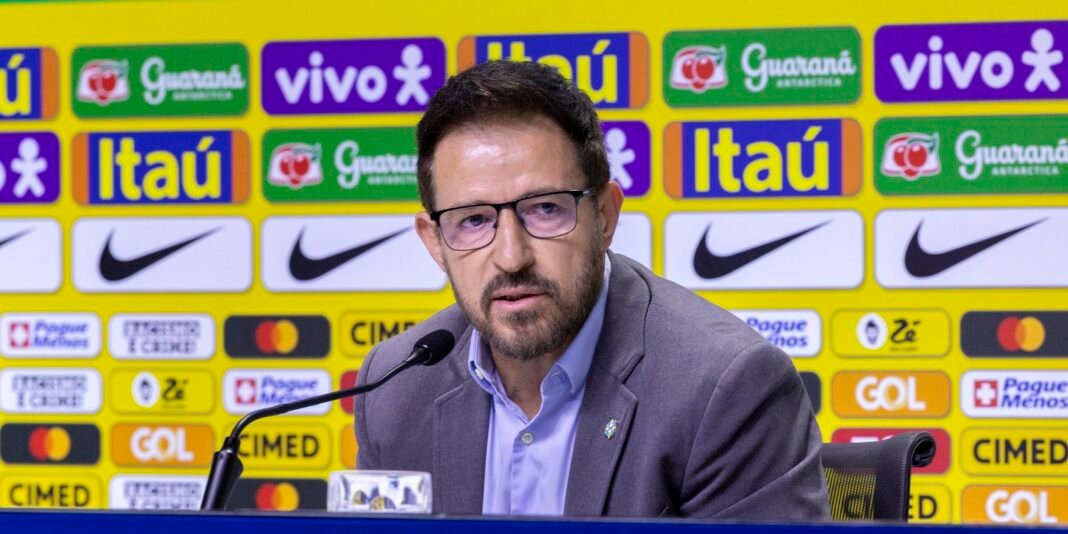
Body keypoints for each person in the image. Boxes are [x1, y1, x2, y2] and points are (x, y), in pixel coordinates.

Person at [354, 60, 828, 519]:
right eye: (474, 220)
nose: (511, 257)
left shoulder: (723, 387)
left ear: (604, 216)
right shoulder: (395, 390)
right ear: (435, 241)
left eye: (545, 209)